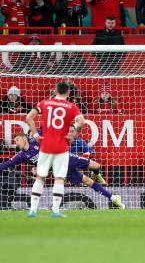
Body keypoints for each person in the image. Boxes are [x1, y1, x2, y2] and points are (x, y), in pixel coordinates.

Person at [0, 132, 124, 208]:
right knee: (87, 181)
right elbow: (4, 164)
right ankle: (113, 198)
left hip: (64, 157)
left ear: (24, 138)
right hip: (59, 169)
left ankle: (97, 175)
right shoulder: (22, 155)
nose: (15, 142)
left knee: (96, 166)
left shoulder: (34, 140)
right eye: (15, 141)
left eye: (17, 139)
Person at [25, 82, 86, 217]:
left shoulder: (45, 103)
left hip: (46, 145)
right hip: (62, 146)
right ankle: (56, 210)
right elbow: (81, 122)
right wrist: (73, 136)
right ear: (69, 93)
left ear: (55, 91)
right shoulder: (71, 107)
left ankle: (33, 210)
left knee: (40, 177)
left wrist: (35, 135)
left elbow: (28, 117)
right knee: (59, 178)